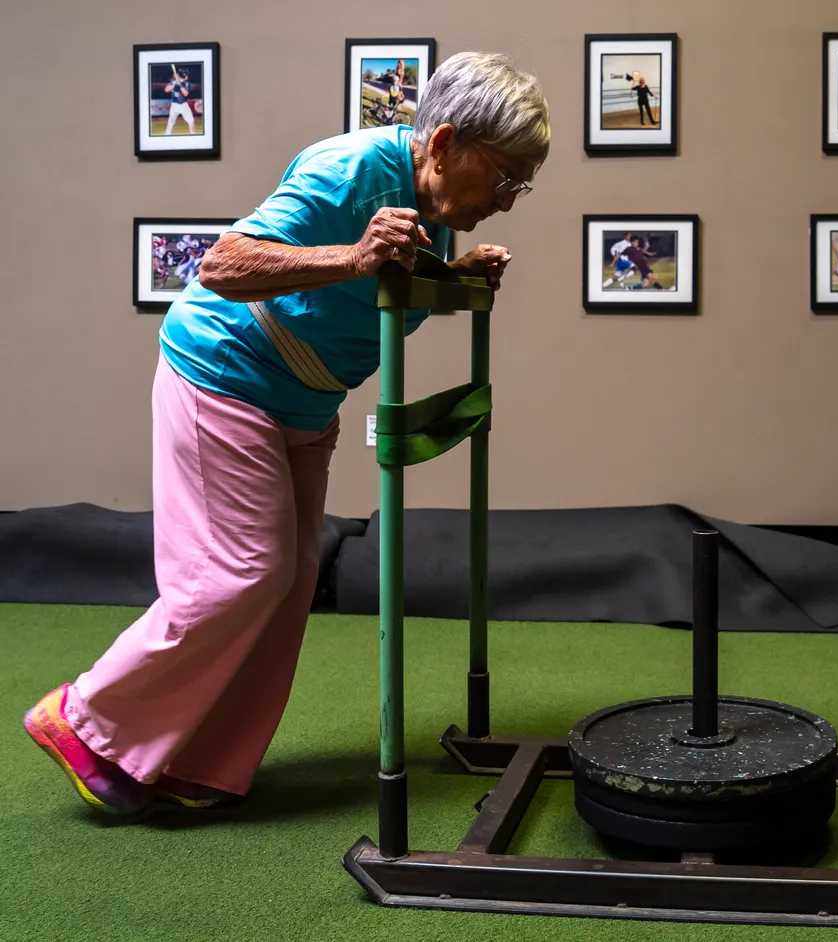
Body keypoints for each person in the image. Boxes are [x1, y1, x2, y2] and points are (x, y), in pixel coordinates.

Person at [23, 50, 551, 818]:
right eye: (503, 177)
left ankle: (195, 761)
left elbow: (378, 297)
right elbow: (223, 264)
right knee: (240, 572)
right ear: (443, 144)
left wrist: (457, 278)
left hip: (302, 405)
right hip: (226, 375)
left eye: (519, 185)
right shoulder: (351, 169)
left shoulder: (427, 213)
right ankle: (85, 721)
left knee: (291, 580)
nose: (507, 199)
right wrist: (353, 254)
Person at [163, 64, 196, 136]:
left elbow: (185, 94)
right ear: (183, 75)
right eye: (186, 75)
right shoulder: (173, 81)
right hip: (174, 106)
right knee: (170, 122)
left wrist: (180, 85)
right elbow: (166, 90)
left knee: (191, 121)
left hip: (184, 105)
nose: (187, 76)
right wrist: (174, 84)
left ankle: (193, 136)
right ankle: (166, 136)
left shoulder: (187, 83)